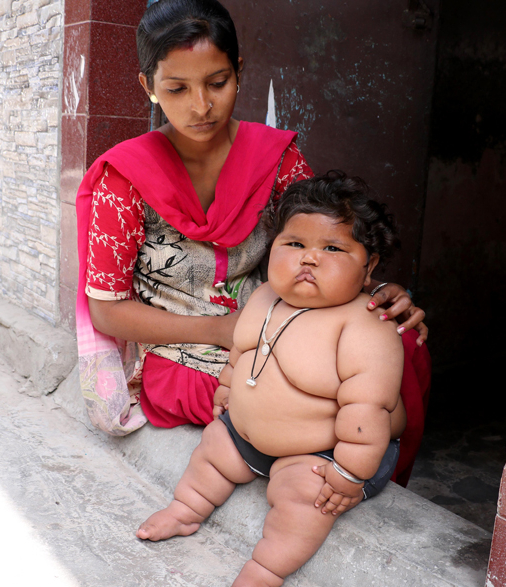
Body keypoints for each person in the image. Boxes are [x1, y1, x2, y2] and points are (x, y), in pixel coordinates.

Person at [75, 0, 430, 486]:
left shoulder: (275, 158)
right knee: (313, 405)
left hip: (282, 324)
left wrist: (372, 290)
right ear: (149, 88)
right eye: (177, 88)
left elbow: (316, 243)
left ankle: (359, 478)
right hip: (188, 351)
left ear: (239, 72)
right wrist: (223, 331)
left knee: (395, 347)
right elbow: (108, 311)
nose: (200, 106)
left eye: (217, 83)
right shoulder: (125, 178)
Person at [137, 172, 405, 587]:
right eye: (294, 244)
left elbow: (367, 408)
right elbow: (241, 352)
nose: (309, 260)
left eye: (333, 249)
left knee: (304, 499)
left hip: (325, 454)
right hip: (247, 437)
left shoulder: (362, 325)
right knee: (212, 449)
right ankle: (186, 508)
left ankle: (264, 571)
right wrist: (226, 391)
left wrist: (349, 472)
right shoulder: (264, 297)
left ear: (370, 268)